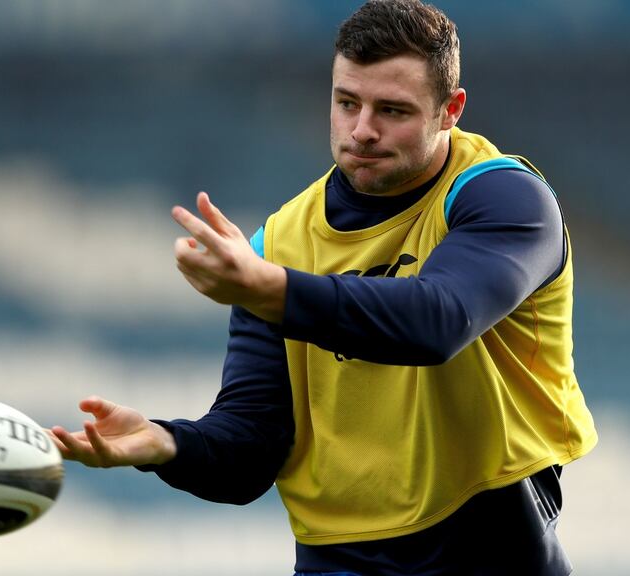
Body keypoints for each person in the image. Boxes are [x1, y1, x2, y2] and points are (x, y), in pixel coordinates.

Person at [49, 1, 598, 574]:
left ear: (450, 111)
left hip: (493, 550)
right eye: (346, 103)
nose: (362, 130)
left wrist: (272, 288)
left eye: (392, 110)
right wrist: (166, 443)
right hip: (340, 560)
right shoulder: (279, 244)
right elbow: (251, 449)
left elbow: (437, 321)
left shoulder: (504, 197)